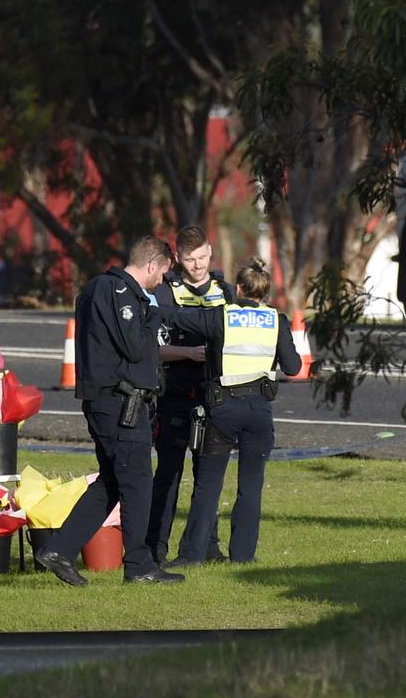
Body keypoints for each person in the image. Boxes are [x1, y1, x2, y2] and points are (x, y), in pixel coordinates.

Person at [36, 236, 186, 586]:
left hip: (112, 403)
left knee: (112, 482)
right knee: (137, 483)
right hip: (119, 405)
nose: (161, 282)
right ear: (151, 265)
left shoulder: (102, 289)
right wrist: (154, 312)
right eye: (162, 274)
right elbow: (134, 347)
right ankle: (139, 565)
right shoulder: (121, 294)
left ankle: (58, 550)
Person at [164, 258, 300, 565]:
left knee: (209, 485)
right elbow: (293, 367)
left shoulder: (220, 316)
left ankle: (192, 555)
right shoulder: (276, 320)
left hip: (223, 409)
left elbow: (177, 319)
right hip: (259, 412)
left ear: (237, 288)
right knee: (251, 487)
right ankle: (243, 556)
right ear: (266, 291)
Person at [146, 226, 233, 565]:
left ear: (211, 252)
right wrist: (189, 353)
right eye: (190, 259)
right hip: (175, 394)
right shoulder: (166, 292)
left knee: (207, 476)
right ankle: (155, 548)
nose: (198, 265)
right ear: (178, 258)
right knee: (168, 474)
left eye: (203, 258)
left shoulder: (224, 290)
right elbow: (153, 347)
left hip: (214, 396)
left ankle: (208, 546)